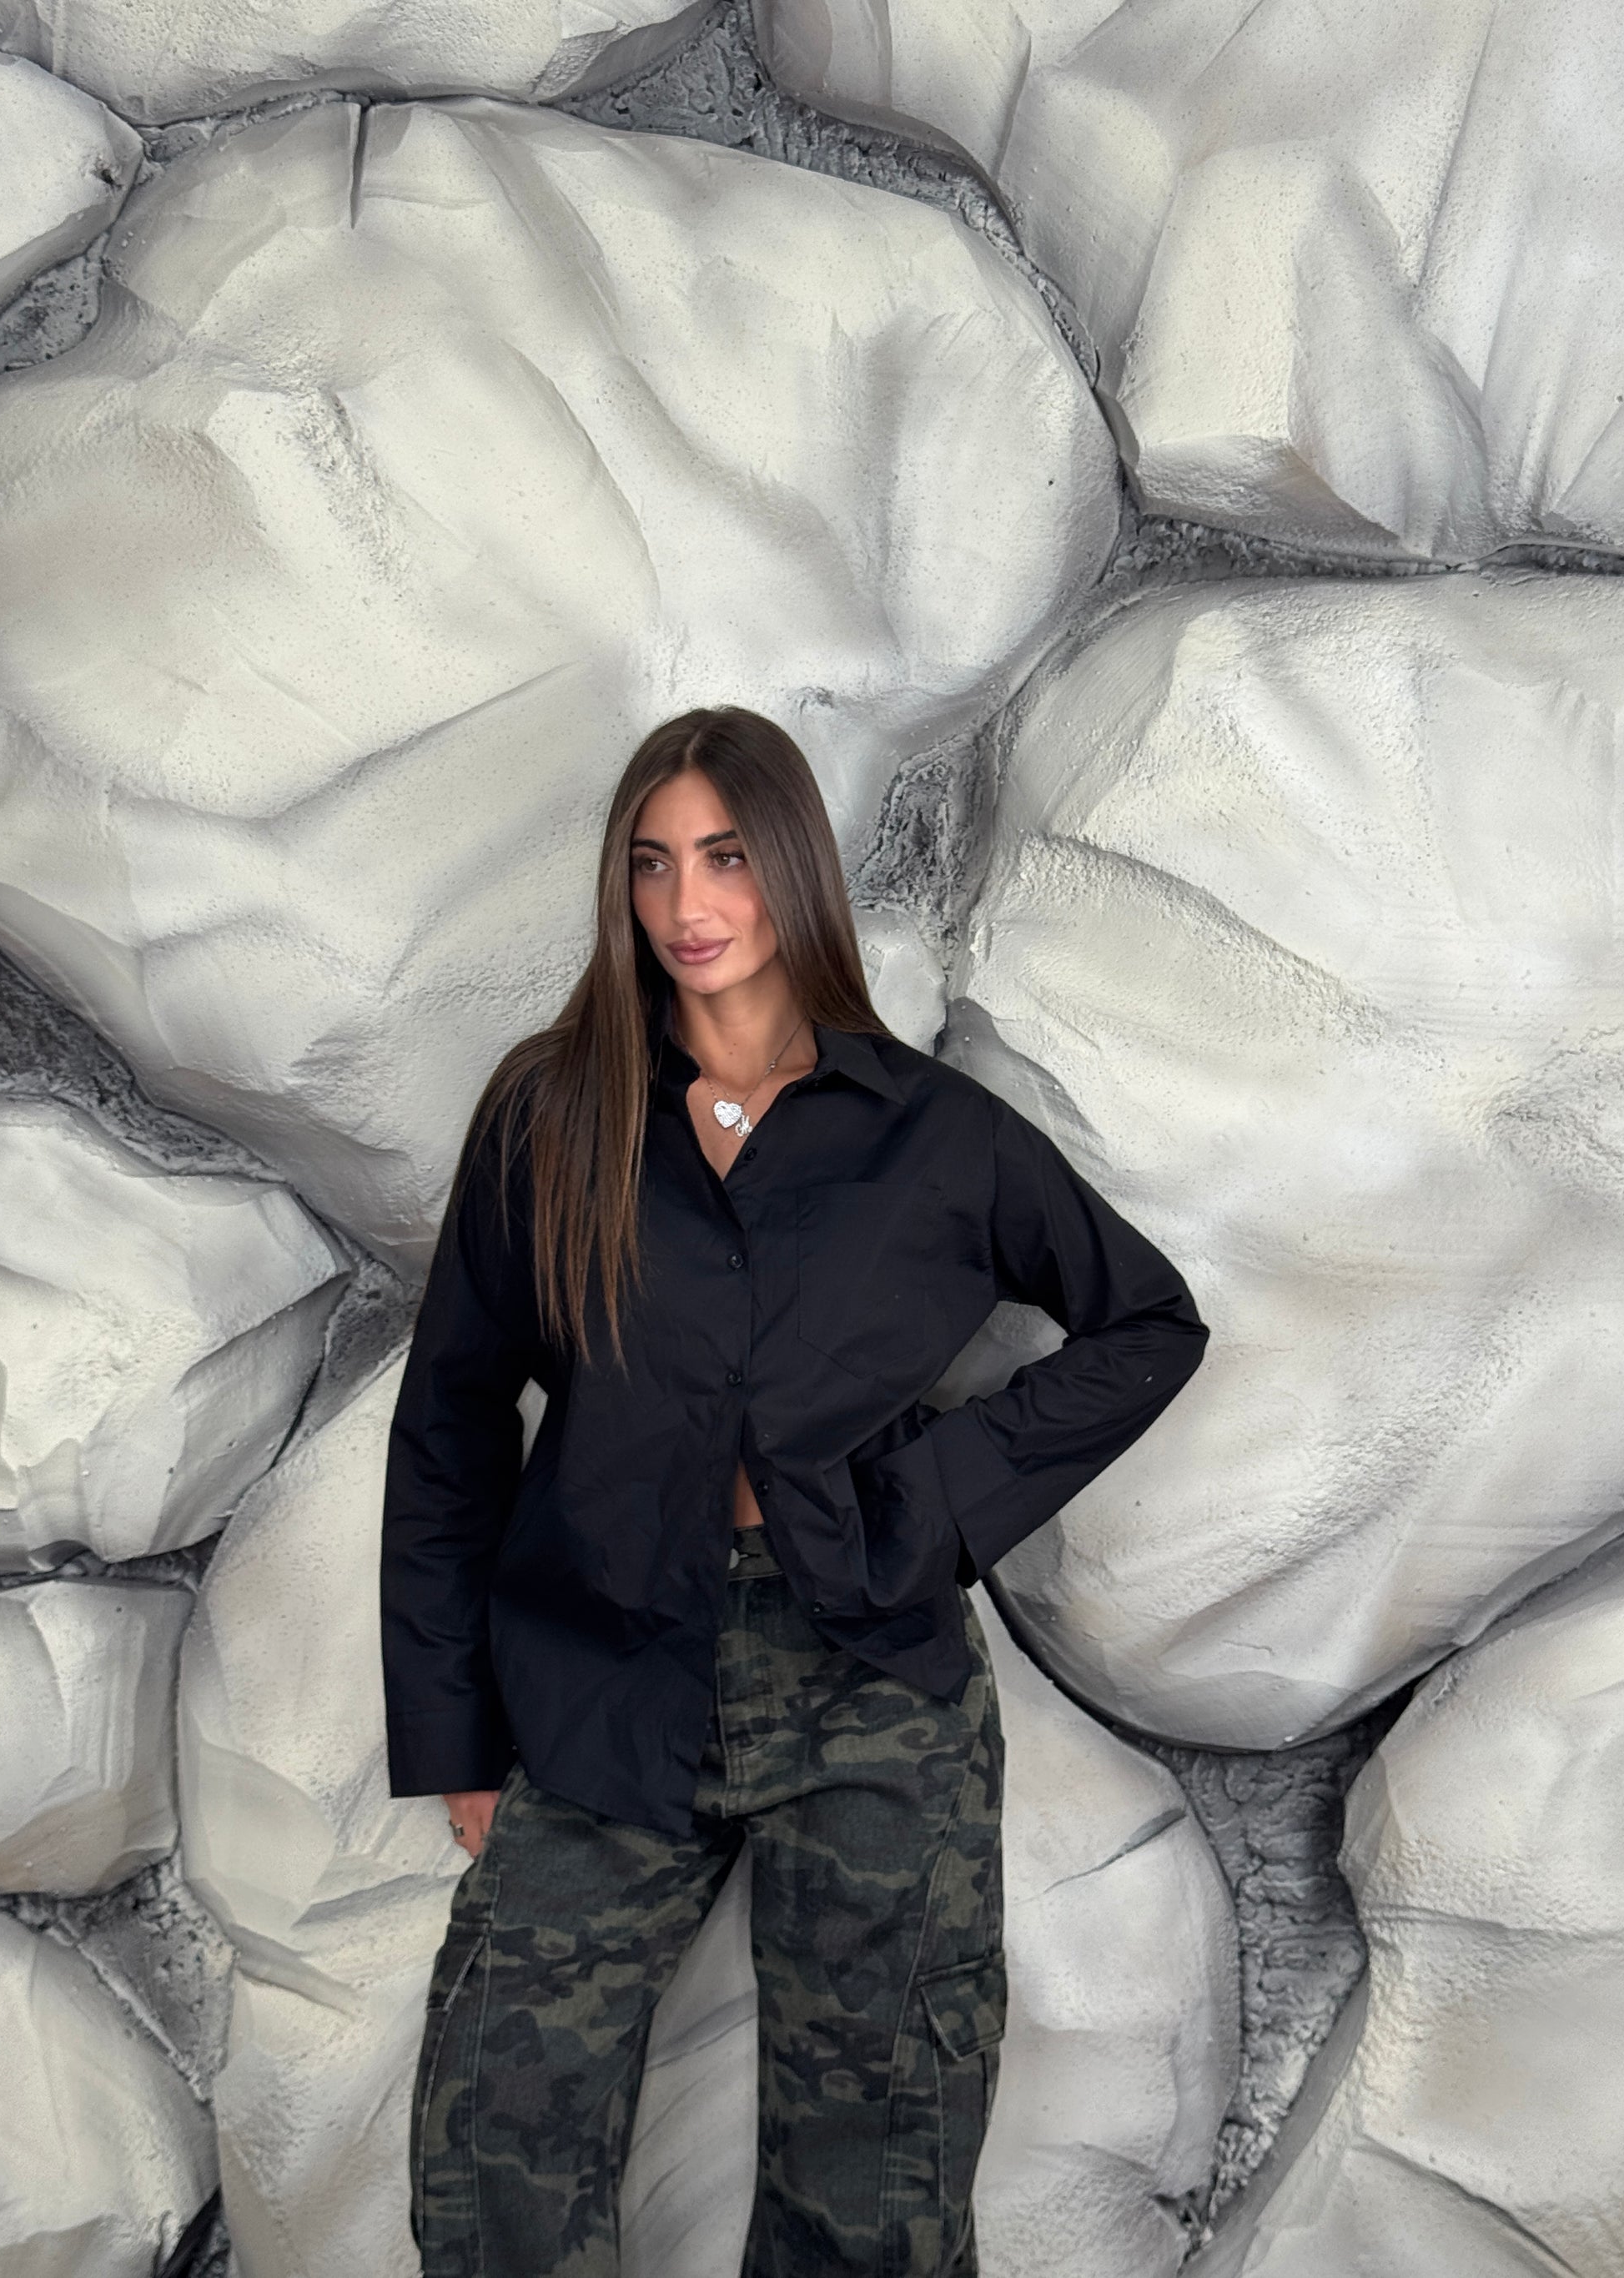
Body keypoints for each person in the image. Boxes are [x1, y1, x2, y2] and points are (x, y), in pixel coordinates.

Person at [380, 705, 1209, 2278]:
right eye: (652, 864)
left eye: (726, 857)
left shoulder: (932, 1137)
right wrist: (455, 1731)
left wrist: (936, 1502)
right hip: (604, 1658)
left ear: (793, 869)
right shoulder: (552, 1117)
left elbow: (1148, 1324)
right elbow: (451, 1427)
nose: (688, 904)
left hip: (869, 1673)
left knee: (876, 2171)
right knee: (496, 2130)